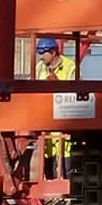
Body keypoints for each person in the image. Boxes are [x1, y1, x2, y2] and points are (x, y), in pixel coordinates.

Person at [34, 36, 76, 179]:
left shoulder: (70, 66)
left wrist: (57, 84)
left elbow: (74, 90)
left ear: (53, 52)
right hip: (46, 115)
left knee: (65, 152)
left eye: (43, 53)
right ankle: (50, 184)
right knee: (48, 151)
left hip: (64, 114)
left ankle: (67, 185)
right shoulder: (40, 66)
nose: (41, 56)